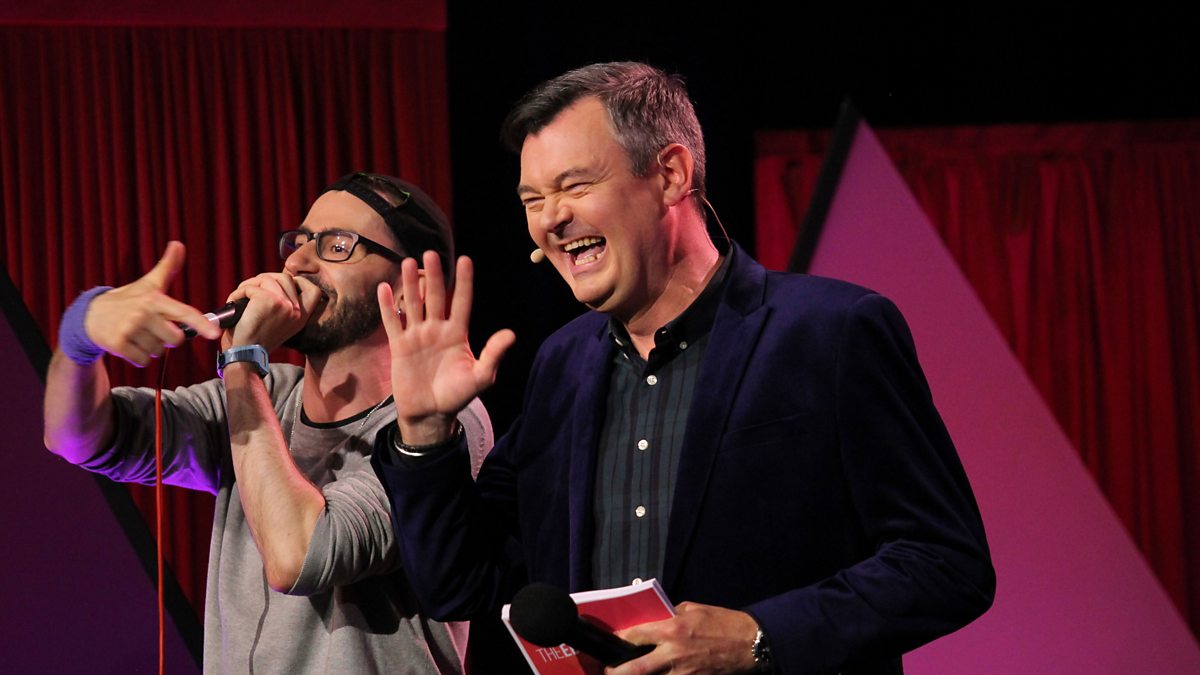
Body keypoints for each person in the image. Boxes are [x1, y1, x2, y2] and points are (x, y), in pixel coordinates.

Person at [371, 62, 995, 674]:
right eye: (533, 200)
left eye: (575, 186)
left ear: (670, 175)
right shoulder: (561, 365)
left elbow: (946, 561)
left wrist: (759, 637)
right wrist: (424, 432)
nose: (550, 219)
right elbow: (461, 584)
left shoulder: (830, 332)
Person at [43, 173, 491, 674]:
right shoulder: (267, 393)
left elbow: (300, 557)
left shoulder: (440, 422)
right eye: (299, 242)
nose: (297, 263)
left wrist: (240, 360)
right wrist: (80, 335)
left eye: (336, 246)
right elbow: (76, 437)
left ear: (412, 288)